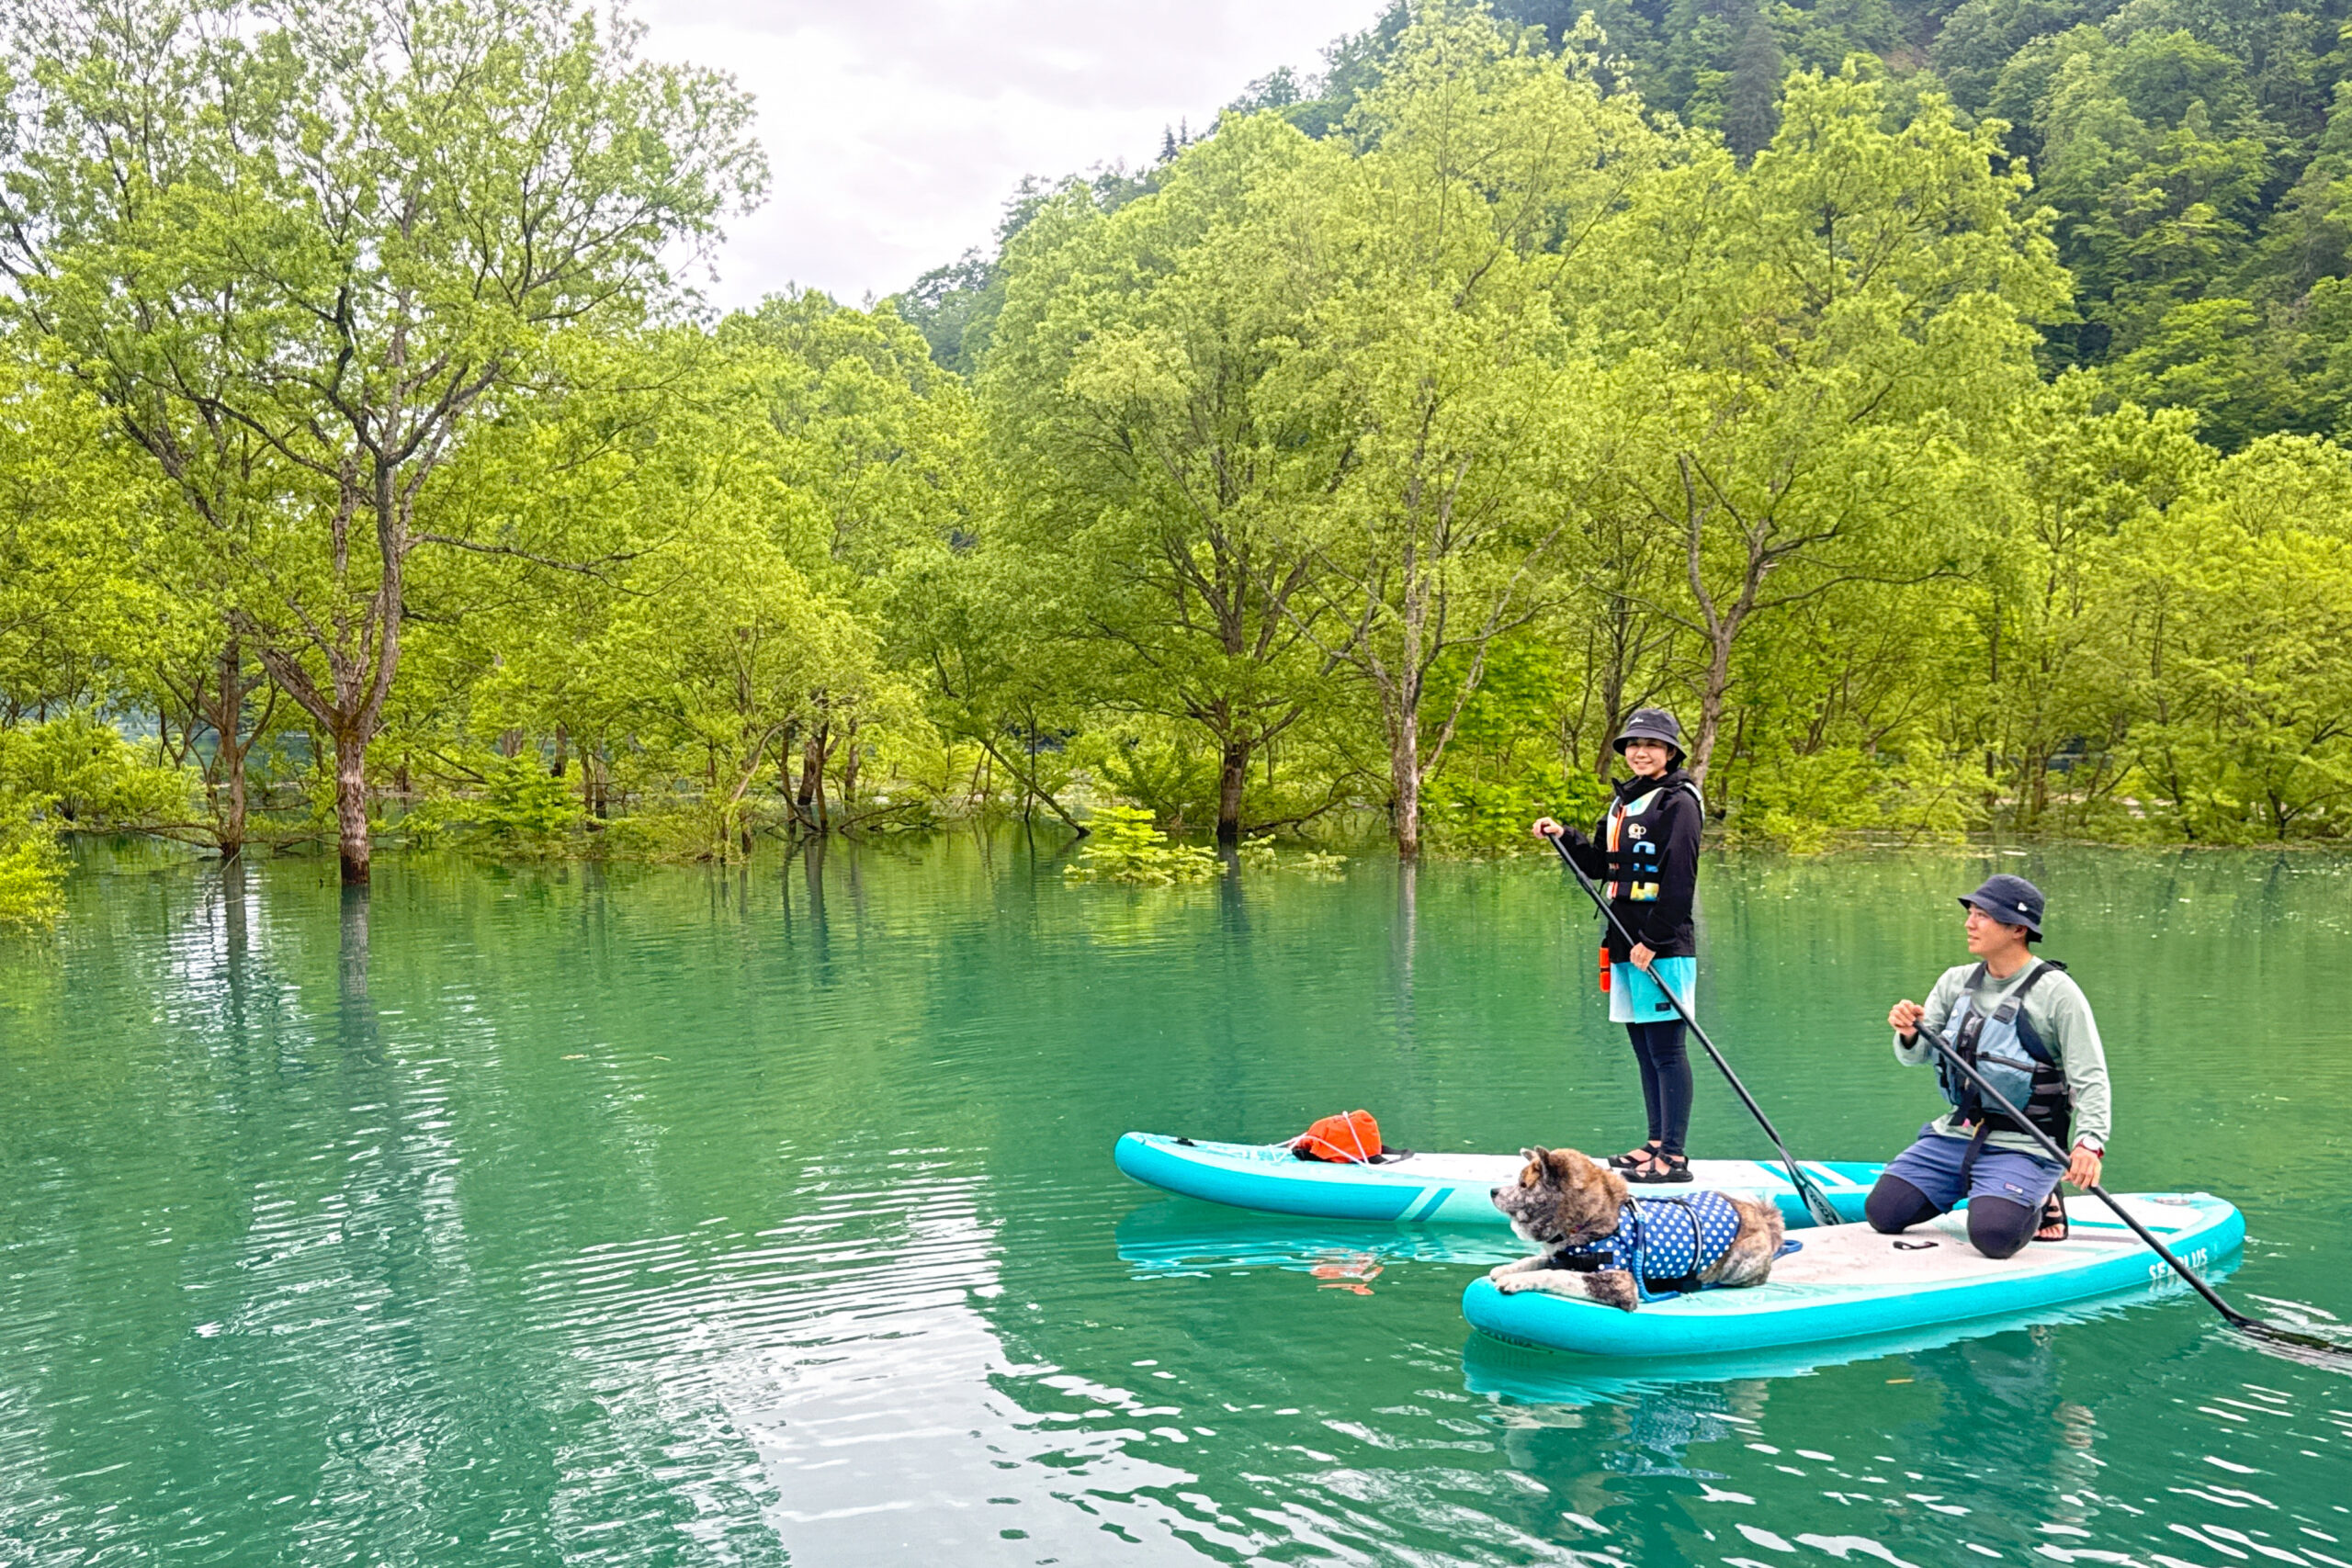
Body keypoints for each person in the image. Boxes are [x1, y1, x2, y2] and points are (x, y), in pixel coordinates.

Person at [1871, 874, 2111, 1258]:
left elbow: (2091, 1077)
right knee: (1884, 1213)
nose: (1969, 923)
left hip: (2028, 1141)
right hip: (1959, 1132)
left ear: (2017, 929)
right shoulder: (1955, 982)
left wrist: (2089, 1143)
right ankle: (1980, 1186)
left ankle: (2043, 1195)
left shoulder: (2058, 994)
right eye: (1971, 913)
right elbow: (1915, 1056)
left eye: (1982, 915)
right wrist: (1907, 1031)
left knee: (1994, 1236)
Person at [1532, 707, 1705, 1184]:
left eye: (1651, 745)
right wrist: (1566, 836)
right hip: (1622, 940)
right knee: (1643, 1047)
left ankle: (1674, 1157)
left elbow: (1680, 878)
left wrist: (1655, 938)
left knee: (1668, 1050)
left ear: (1670, 752)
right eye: (1632, 745)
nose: (1640, 752)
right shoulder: (1626, 802)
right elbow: (1601, 867)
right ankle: (1653, 1144)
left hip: (1659, 944)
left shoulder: (1679, 802)